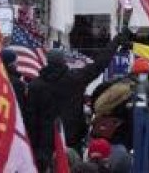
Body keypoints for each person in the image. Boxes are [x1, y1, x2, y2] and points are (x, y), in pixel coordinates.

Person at [27, 28, 132, 170]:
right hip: (72, 142)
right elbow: (99, 65)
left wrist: (32, 147)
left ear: (48, 62)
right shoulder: (76, 79)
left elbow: (31, 120)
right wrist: (115, 42)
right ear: (63, 61)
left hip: (44, 146)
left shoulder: (35, 86)